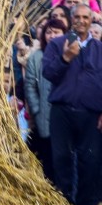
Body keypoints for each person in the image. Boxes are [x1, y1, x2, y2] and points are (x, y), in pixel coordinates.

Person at [42, 4, 102, 205]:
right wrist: (65, 58)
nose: (81, 21)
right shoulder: (57, 44)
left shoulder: (99, 48)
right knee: (61, 157)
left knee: (91, 159)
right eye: (77, 17)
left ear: (92, 19)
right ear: (71, 19)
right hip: (62, 110)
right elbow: (48, 72)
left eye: (86, 17)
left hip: (91, 113)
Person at [24, 17, 68, 182]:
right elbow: (29, 86)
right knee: (48, 154)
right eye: (48, 32)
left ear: (64, 34)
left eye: (56, 32)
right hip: (44, 114)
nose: (52, 35)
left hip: (66, 115)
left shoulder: (71, 54)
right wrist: (36, 109)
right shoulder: (37, 57)